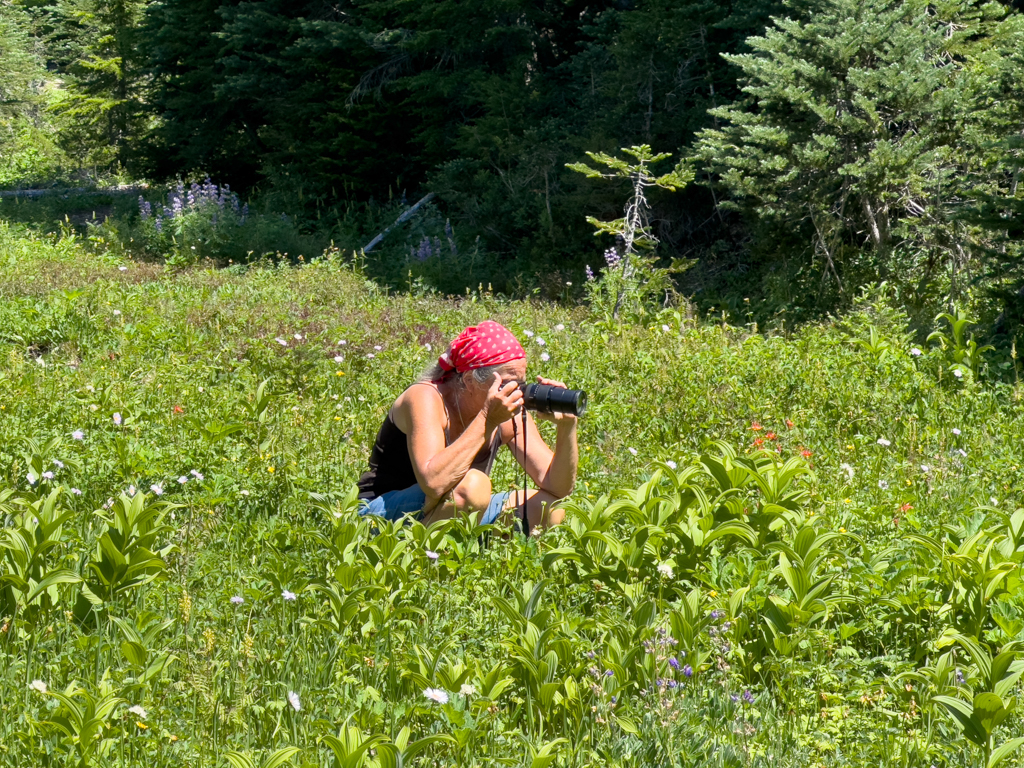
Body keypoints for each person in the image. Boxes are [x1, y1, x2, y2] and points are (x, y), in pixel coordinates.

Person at [357, 320, 577, 530]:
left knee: (549, 507)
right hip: (382, 512)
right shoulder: (425, 397)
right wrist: (488, 419)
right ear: (470, 380)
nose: (517, 391)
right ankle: (416, 561)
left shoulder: (510, 411)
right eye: (509, 383)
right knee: (472, 487)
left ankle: (478, 558)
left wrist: (567, 426)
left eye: (521, 382)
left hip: (453, 506)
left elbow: (557, 487)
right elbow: (433, 483)